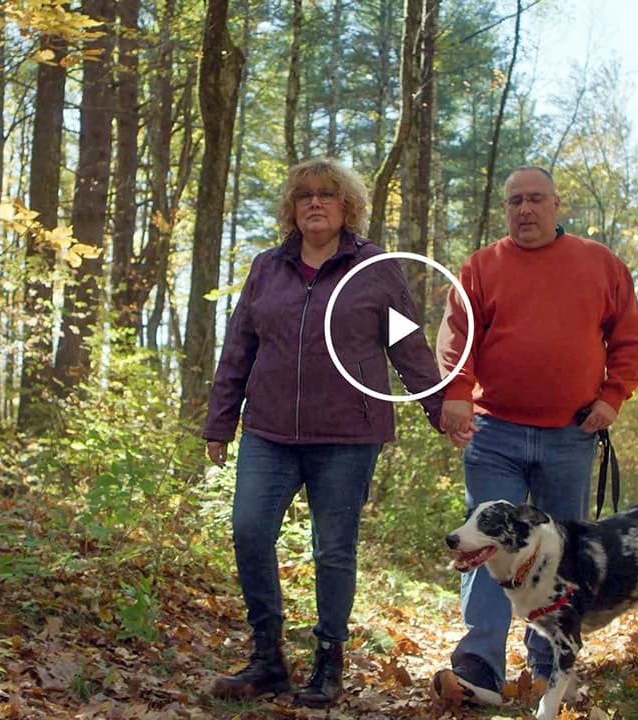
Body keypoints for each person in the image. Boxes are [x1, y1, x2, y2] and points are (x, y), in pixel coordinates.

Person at [203, 157, 444, 708]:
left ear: (347, 207)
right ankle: (267, 658)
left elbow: (408, 345)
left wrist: (441, 409)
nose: (315, 203)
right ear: (292, 206)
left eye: (327, 195)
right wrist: (220, 421)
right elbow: (239, 347)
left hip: (347, 435)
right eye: (305, 194)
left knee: (333, 550)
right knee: (248, 531)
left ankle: (328, 663)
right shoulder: (267, 267)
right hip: (267, 433)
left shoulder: (374, 267)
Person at [431, 165, 638, 705]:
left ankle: (552, 665)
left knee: (560, 556)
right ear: (505, 209)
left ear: (556, 205)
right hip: (494, 432)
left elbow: (628, 338)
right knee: (482, 544)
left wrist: (612, 396)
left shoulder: (600, 264)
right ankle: (478, 665)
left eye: (534, 200)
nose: (524, 210)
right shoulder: (481, 267)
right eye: (514, 202)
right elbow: (457, 338)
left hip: (569, 435)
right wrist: (455, 393)